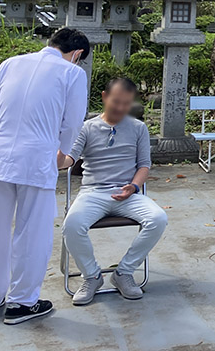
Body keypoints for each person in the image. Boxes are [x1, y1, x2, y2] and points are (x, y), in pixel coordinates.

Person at [0, 27, 90, 325]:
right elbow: (72, 122)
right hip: (37, 159)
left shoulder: (10, 63)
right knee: (32, 232)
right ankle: (22, 303)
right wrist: (64, 154)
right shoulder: (72, 73)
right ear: (76, 54)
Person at [60, 77, 167, 305]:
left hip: (128, 194)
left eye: (126, 104)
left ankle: (124, 273)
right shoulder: (86, 127)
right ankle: (92, 276)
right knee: (71, 225)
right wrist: (59, 157)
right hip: (93, 193)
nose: (120, 108)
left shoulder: (139, 128)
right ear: (104, 97)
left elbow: (144, 165)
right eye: (116, 102)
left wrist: (134, 186)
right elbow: (70, 158)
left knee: (158, 218)